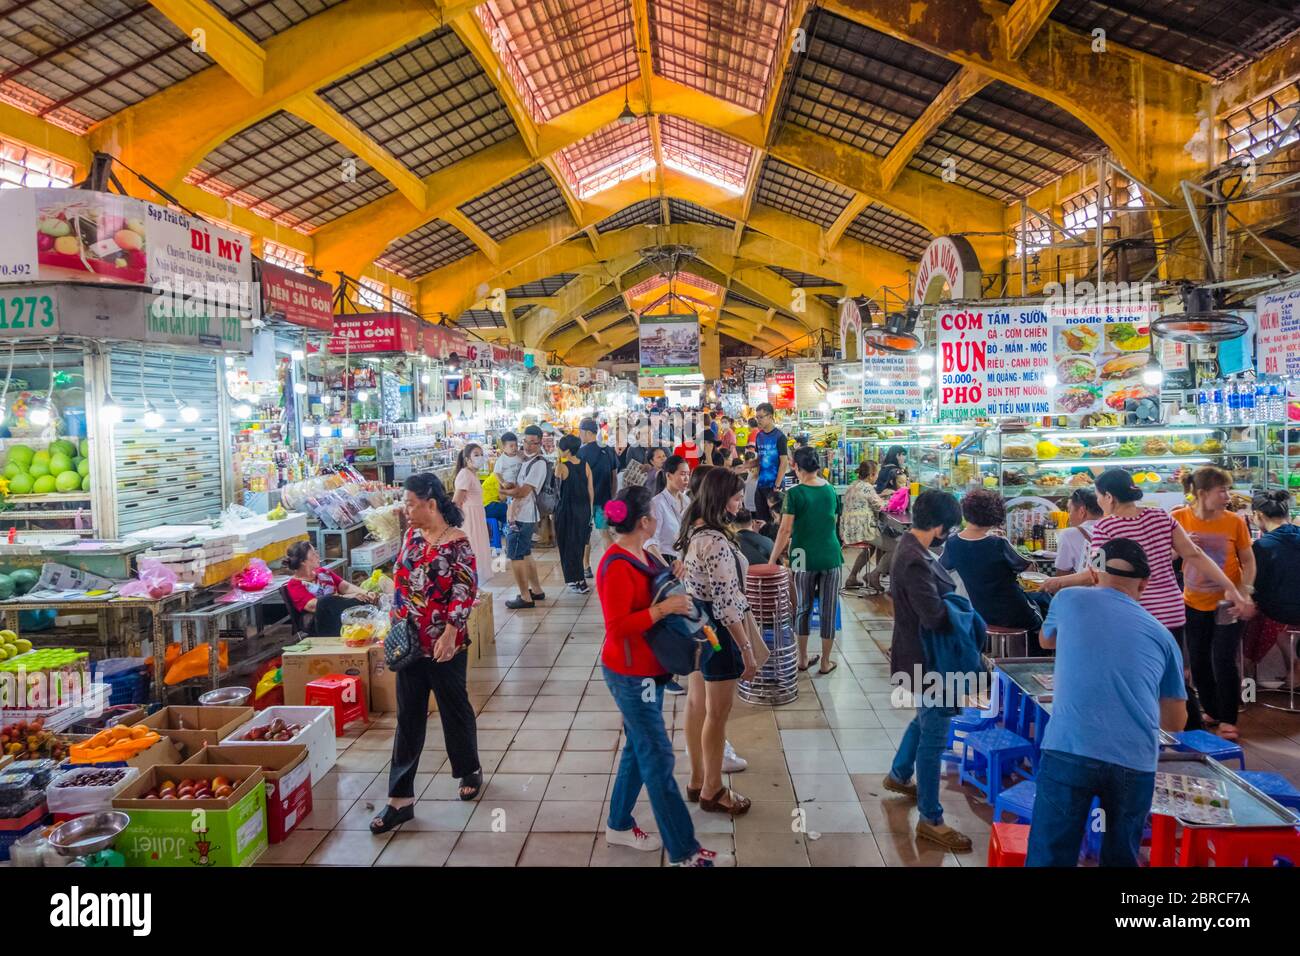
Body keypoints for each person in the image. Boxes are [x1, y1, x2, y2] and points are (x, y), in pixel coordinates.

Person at [1043, 467, 1253, 730]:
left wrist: (1058, 583)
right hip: (1173, 612)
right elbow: (1195, 554)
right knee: (1174, 679)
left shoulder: (1106, 527)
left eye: (1098, 496)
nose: (1098, 501)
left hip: (1136, 615)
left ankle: (1150, 734)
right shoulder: (1161, 517)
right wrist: (1231, 588)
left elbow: (1094, 574)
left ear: (1108, 497)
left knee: (1140, 678)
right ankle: (1193, 738)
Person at [1027, 539, 1188, 867]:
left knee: (1049, 855)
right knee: (1122, 858)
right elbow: (1174, 721)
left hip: (1070, 748)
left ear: (1095, 574)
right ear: (1144, 584)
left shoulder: (1069, 598)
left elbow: (1046, 640)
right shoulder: (1163, 636)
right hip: (1135, 762)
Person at [594, 486, 733, 866]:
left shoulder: (644, 553)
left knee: (637, 753)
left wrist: (671, 574)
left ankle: (619, 824)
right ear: (643, 521)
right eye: (653, 514)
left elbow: (650, 591)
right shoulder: (615, 565)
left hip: (650, 670)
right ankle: (685, 852)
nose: (658, 519)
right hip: (629, 674)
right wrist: (665, 608)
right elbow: (617, 627)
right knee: (657, 759)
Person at [371, 473, 481, 833]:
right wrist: (393, 624)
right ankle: (399, 799)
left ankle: (468, 769)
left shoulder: (457, 543)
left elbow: (465, 591)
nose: (406, 510)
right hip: (410, 644)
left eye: (410, 504)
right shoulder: (411, 537)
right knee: (409, 718)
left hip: (445, 645)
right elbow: (402, 584)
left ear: (430, 504)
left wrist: (451, 632)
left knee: (454, 708)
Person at [882, 489, 970, 851]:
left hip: (915, 653)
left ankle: (900, 774)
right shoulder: (915, 559)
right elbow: (932, 616)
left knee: (925, 719)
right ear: (939, 527)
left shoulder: (911, 547)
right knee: (934, 737)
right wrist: (963, 612)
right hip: (927, 658)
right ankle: (931, 818)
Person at [678, 467, 761, 815]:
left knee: (697, 705)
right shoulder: (716, 543)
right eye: (736, 495)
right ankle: (713, 789)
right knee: (717, 714)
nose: (741, 500)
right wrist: (747, 651)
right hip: (718, 634)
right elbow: (728, 607)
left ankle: (697, 780)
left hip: (697, 626)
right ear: (719, 498)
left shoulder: (694, 531)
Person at [1172, 466, 1255, 741]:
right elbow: (1163, 557)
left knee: (1222, 658)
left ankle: (1229, 719)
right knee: (1197, 660)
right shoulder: (1178, 519)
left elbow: (1249, 561)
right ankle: (1211, 709)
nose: (1227, 496)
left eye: (1227, 490)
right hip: (1193, 601)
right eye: (1222, 491)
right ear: (1202, 493)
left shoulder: (1234, 521)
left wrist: (1244, 590)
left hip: (1227, 604)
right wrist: (1179, 548)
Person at [771, 446, 843, 675]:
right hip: (831, 555)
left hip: (802, 555)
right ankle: (825, 661)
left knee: (802, 607)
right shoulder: (831, 490)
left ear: (795, 467)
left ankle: (802, 659)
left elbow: (784, 531)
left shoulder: (794, 494)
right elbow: (834, 521)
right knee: (828, 610)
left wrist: (772, 559)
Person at [939, 488, 1042, 638]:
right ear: (995, 515)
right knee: (1045, 603)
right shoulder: (998, 543)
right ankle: (1041, 654)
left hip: (981, 612)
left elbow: (943, 566)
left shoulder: (952, 543)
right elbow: (1028, 568)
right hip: (1016, 613)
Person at [1247, 490, 1300, 687]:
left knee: (1248, 613)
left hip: (1280, 612)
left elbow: (1256, 584)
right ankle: (1293, 667)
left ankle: (1249, 678)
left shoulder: (1262, 546)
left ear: (1258, 515)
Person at [283, 541, 377, 636]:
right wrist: (348, 597)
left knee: (366, 598)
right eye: (313, 554)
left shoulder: (323, 572)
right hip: (322, 622)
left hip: (342, 610)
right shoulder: (294, 584)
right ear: (303, 561)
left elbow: (346, 586)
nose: (317, 555)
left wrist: (366, 592)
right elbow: (314, 606)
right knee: (325, 601)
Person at [502, 425, 548, 609]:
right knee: (526, 553)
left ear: (540, 442)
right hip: (521, 514)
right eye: (526, 442)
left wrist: (504, 491)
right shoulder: (527, 461)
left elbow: (523, 492)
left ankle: (524, 596)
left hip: (524, 515)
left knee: (515, 555)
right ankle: (536, 590)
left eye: (533, 443)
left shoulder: (539, 464)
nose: (528, 446)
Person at [554, 434, 594, 594]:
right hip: (583, 510)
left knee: (567, 545)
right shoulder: (585, 465)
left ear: (567, 450)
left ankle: (576, 580)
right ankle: (578, 580)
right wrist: (589, 511)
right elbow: (591, 490)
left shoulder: (561, 467)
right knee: (579, 544)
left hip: (566, 511)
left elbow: (556, 493)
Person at [841, 460, 885, 590]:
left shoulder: (853, 485)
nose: (877, 477)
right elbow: (880, 506)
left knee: (871, 547)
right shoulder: (868, 487)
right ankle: (874, 575)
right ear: (871, 475)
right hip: (863, 531)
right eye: (876, 474)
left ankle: (852, 577)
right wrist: (891, 499)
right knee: (894, 548)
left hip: (848, 530)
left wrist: (880, 495)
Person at [865, 464, 909, 591]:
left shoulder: (899, 493)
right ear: (892, 481)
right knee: (898, 546)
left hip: (879, 529)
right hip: (875, 529)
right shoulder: (888, 494)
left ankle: (882, 575)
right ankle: (876, 574)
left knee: (900, 542)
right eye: (900, 482)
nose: (903, 485)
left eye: (905, 482)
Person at [580, 418, 619, 564]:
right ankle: (612, 563)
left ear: (588, 432)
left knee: (585, 535)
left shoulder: (581, 452)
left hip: (586, 501)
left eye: (581, 432)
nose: (580, 435)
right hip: (605, 499)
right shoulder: (608, 449)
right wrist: (612, 496)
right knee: (605, 533)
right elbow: (614, 476)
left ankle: (586, 566)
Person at [451, 443, 492, 576]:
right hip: (469, 516)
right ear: (467, 459)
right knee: (473, 545)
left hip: (477, 514)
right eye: (476, 455)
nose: (480, 457)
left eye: (481, 454)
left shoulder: (472, 474)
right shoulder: (465, 475)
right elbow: (457, 501)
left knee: (478, 545)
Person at [752, 402, 789, 524]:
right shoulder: (759, 436)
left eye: (761, 417)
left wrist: (777, 486)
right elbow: (759, 459)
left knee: (776, 521)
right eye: (757, 417)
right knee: (761, 521)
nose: (758, 420)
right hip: (761, 485)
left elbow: (784, 463)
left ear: (770, 416)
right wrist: (744, 466)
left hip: (774, 487)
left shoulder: (780, 437)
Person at [649, 454, 690, 563]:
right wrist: (666, 568)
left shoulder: (687, 501)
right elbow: (650, 541)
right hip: (667, 561)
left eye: (688, 474)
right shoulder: (657, 504)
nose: (686, 478)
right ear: (669, 476)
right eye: (682, 474)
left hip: (685, 562)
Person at [1054, 487, 1103, 575]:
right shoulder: (1113, 529)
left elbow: (1061, 574)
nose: (1069, 517)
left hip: (1084, 587)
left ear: (1082, 511)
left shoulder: (1068, 534)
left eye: (1070, 511)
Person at [489, 431, 521, 527]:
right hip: (508, 486)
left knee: (519, 506)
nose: (514, 448)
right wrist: (503, 483)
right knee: (511, 505)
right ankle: (510, 523)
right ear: (503, 448)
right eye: (511, 446)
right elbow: (496, 473)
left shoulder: (519, 457)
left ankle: (516, 522)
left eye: (516, 445)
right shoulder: (502, 460)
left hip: (519, 485)